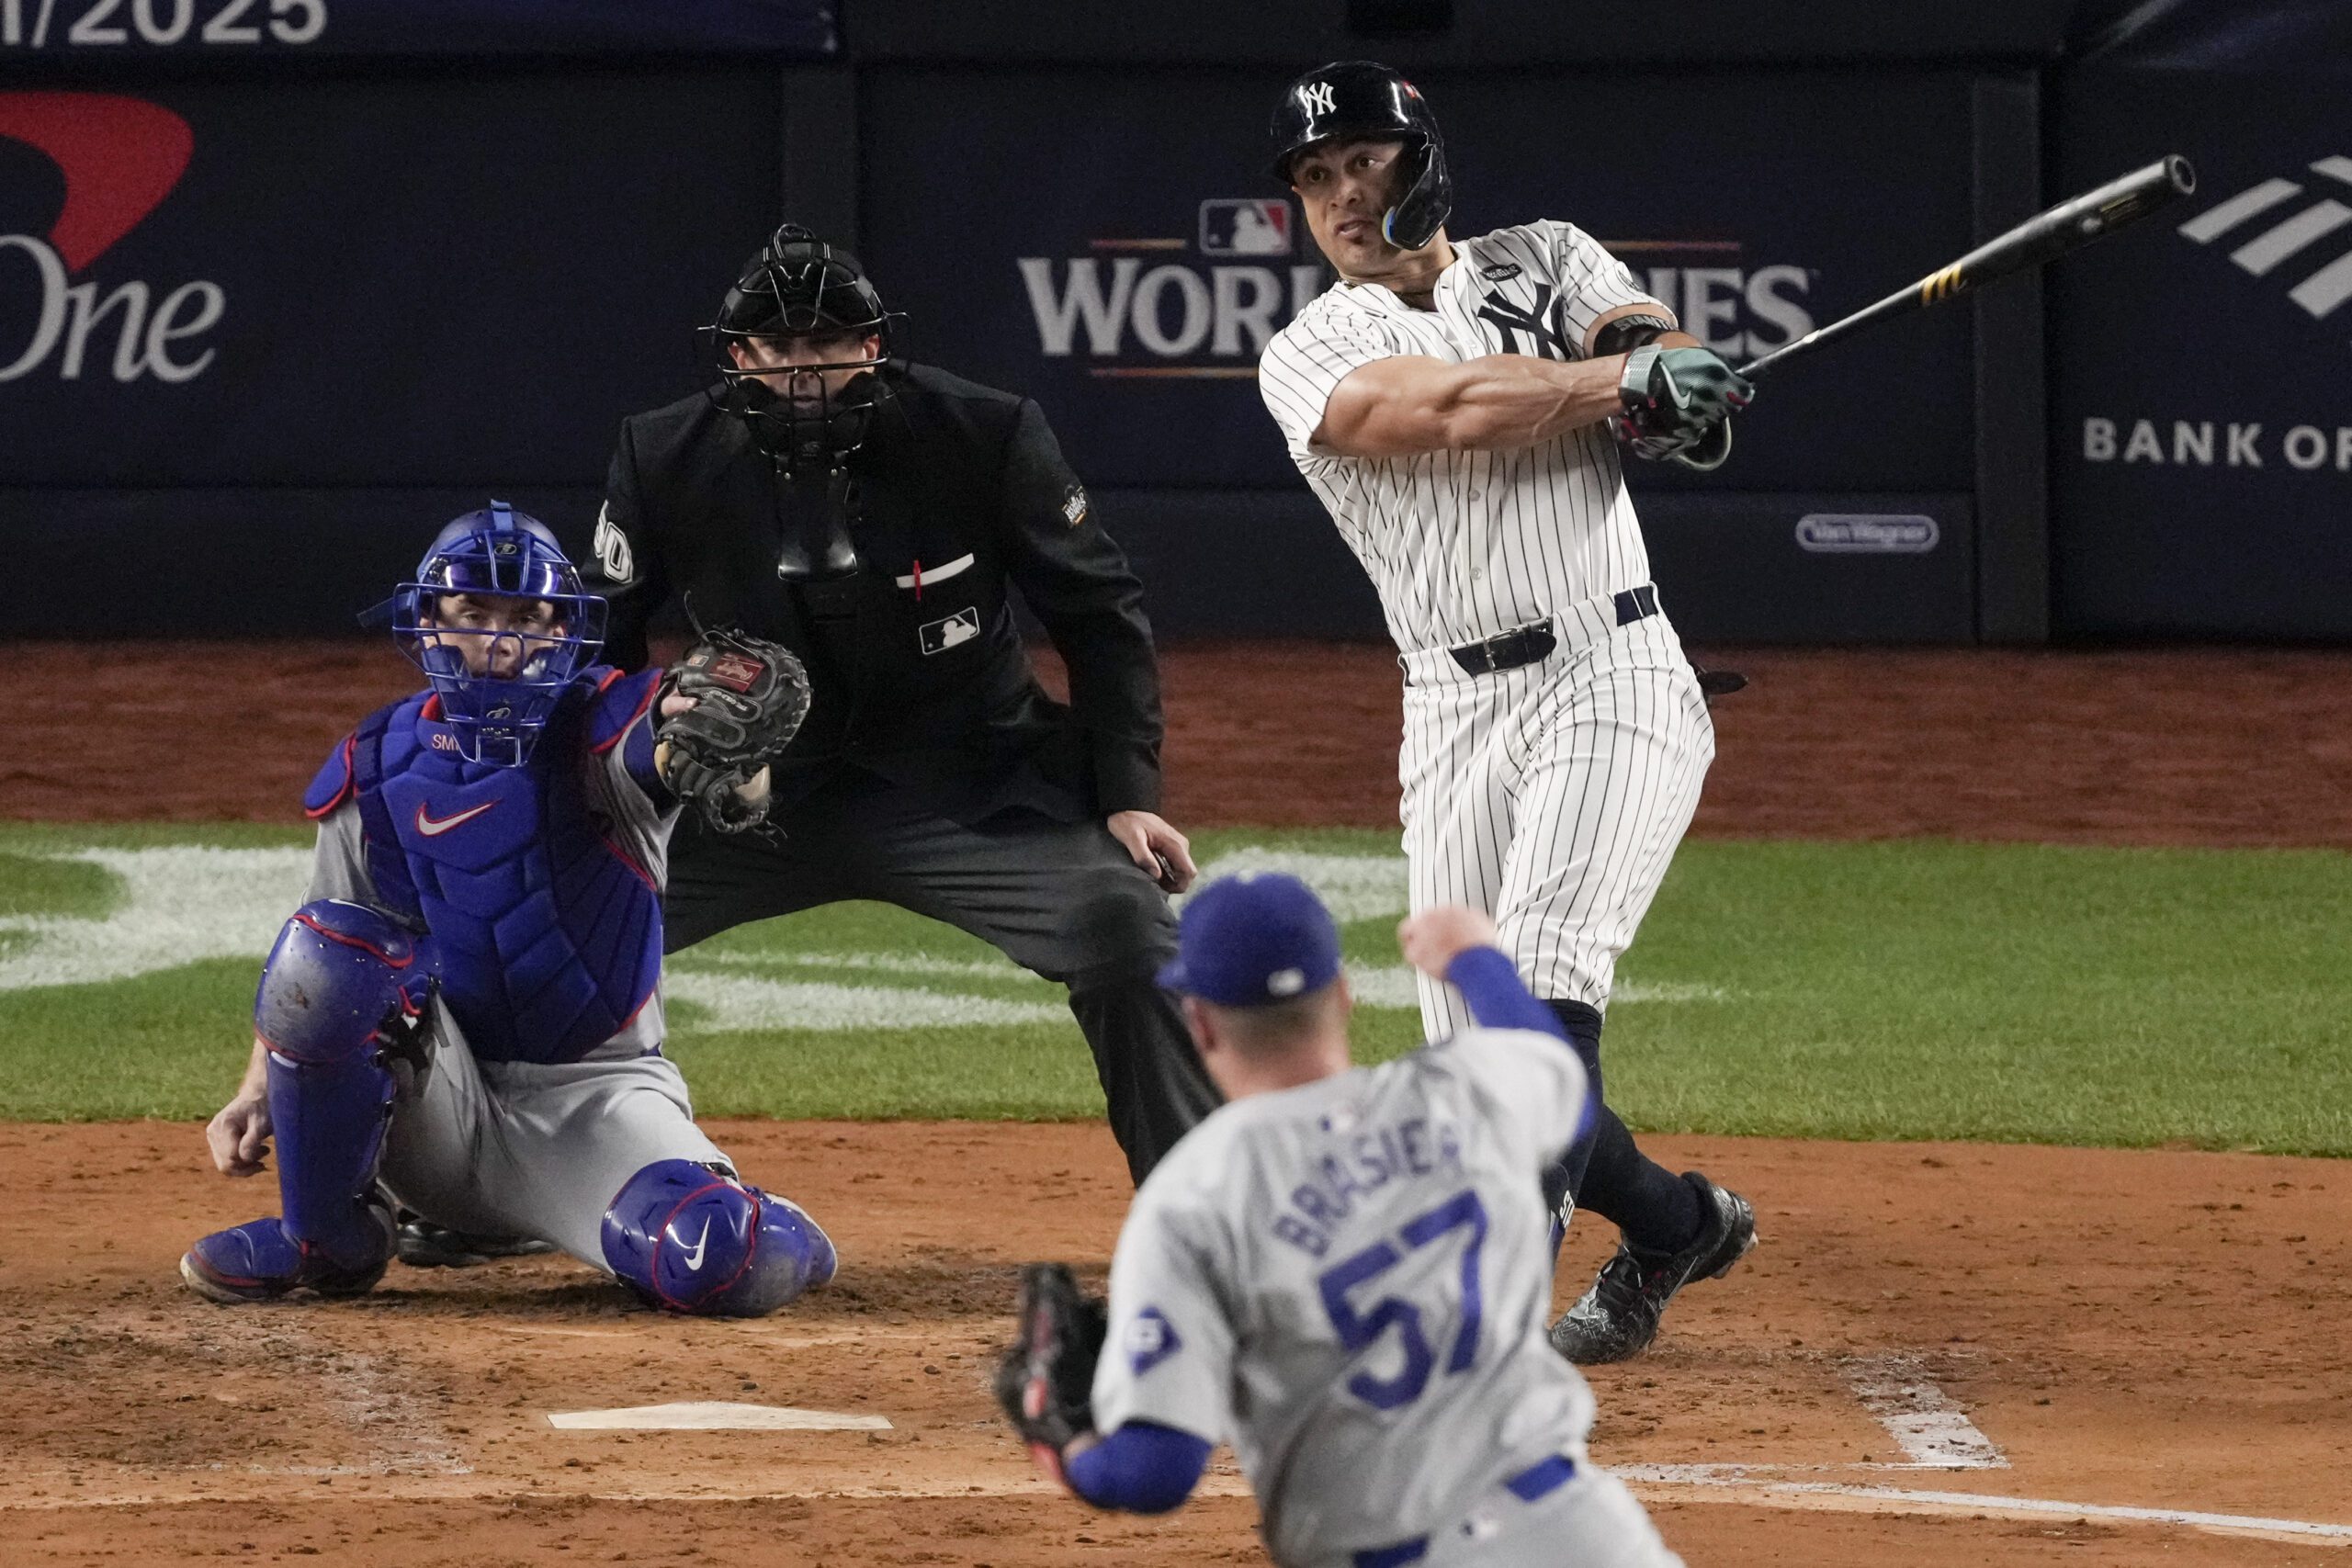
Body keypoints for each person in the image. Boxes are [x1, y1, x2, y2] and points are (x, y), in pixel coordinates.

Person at [1253, 62, 1757, 1364]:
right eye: (1314, 179)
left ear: (1422, 156)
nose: (1341, 196)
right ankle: (1675, 1221)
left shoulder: (1549, 255)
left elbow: (1639, 341)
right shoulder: (1312, 347)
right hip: (1451, 718)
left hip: (1616, 668)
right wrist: (1617, 393)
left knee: (1531, 991)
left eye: (1359, 159)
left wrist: (1675, 382)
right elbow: (1444, 409)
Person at [583, 222, 1217, 1181]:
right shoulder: (664, 453)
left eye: (827, 346)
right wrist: (615, 777)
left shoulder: (982, 432)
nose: (803, 371)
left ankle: (1204, 1216)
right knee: (549, 917)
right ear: (740, 357)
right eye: (778, 349)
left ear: (870, 346)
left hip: (969, 785)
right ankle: (473, 1195)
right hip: (747, 798)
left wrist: (1129, 789)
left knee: (1124, 932)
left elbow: (1098, 612)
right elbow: (602, 646)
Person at [182, 502, 835, 1314]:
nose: (502, 641)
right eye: (476, 613)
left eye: (529, 616)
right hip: (437, 1107)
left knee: (723, 1261)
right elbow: (314, 962)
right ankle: (329, 1239)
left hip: (595, 1102)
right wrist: (256, 1091)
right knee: (329, 951)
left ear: (565, 627)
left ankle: (785, 1228)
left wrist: (739, 760)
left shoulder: (603, 727)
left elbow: (681, 739)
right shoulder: (379, 762)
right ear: (429, 621)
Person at [996, 873, 1687, 1568]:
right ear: (1344, 995)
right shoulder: (1463, 1096)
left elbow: (1156, 1471)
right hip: (1587, 1535)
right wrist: (1474, 955)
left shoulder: (1193, 1197)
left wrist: (1066, 1450)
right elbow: (1556, 1074)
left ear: (1197, 1019)